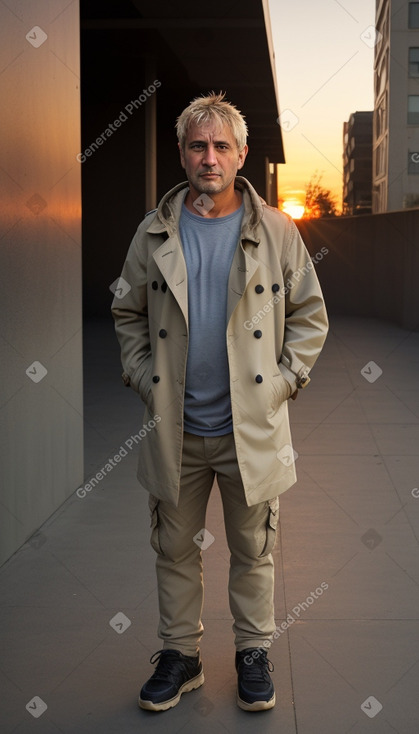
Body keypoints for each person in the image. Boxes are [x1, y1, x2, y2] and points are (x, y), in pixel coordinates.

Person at [111, 91, 328, 713]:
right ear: (182, 153)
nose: (210, 158)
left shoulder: (278, 232)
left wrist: (285, 382)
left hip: (249, 428)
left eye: (221, 146)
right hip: (174, 427)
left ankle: (253, 652)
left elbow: (310, 316)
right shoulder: (154, 231)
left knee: (253, 551)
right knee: (173, 550)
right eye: (198, 146)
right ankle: (181, 657)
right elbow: (126, 309)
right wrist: (144, 376)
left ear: (241, 155)